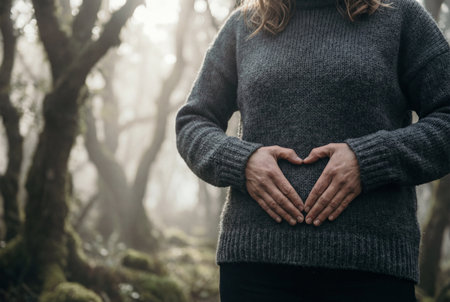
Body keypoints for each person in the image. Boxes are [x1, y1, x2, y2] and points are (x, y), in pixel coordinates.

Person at [175, 0, 450, 300]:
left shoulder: (399, 16)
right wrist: (242, 162)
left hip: (372, 266)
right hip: (254, 267)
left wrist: (370, 160)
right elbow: (193, 122)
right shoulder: (244, 24)